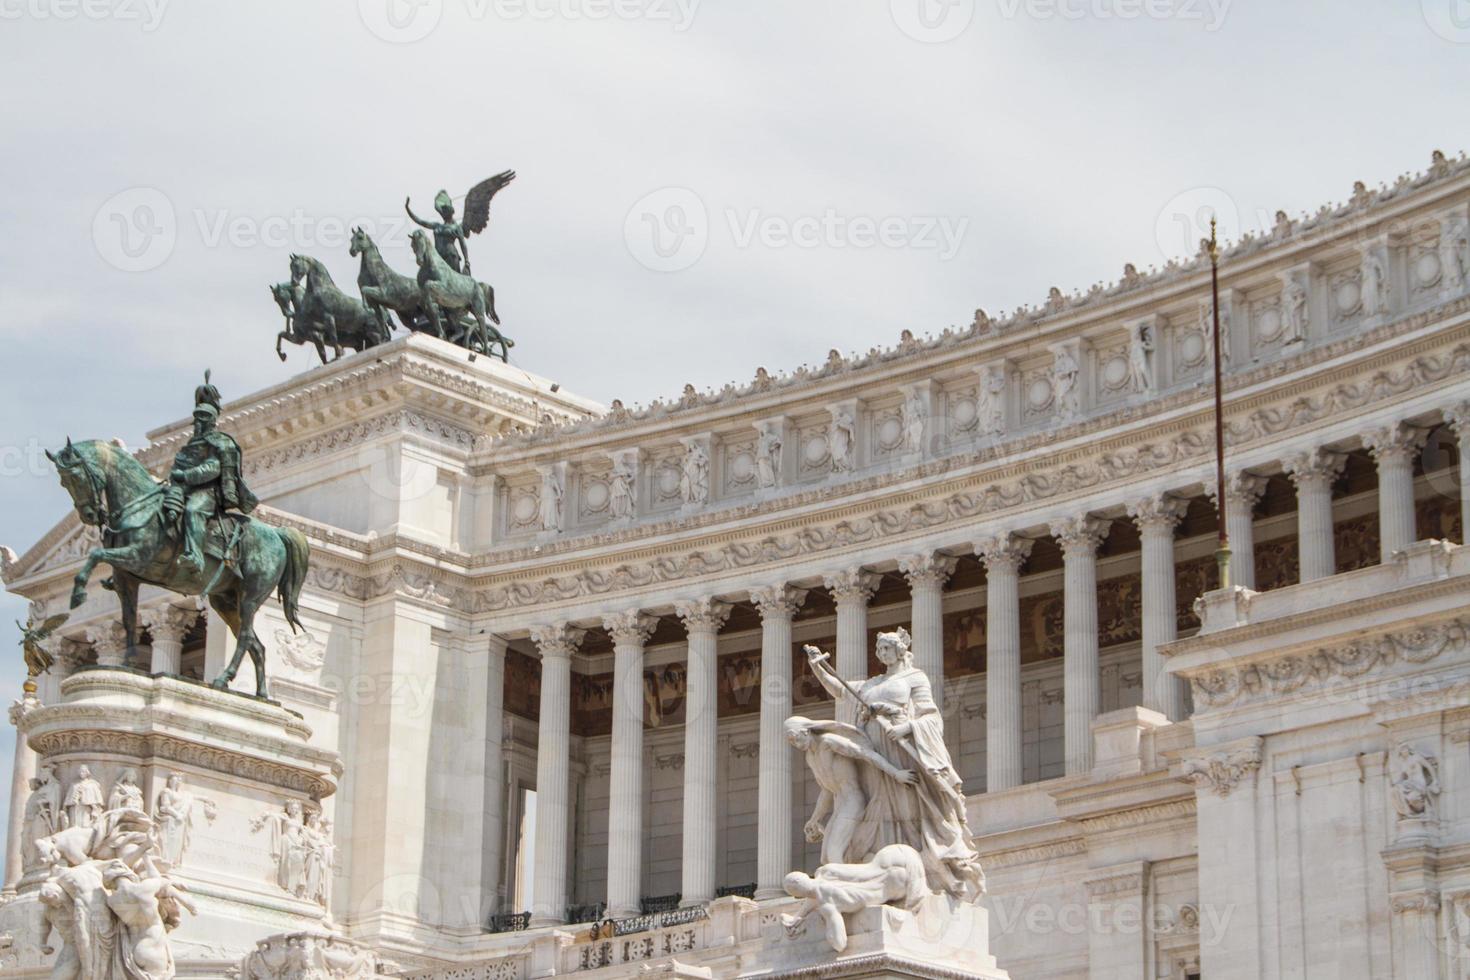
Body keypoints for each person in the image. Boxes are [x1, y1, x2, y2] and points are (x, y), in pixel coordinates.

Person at [803, 629, 986, 901]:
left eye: (887, 648)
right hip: (875, 752)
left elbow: (931, 717)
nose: (882, 654)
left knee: (910, 803)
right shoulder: (871, 683)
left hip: (901, 748)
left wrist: (907, 728)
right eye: (879, 650)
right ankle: (883, 861)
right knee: (879, 804)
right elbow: (841, 689)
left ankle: (924, 863)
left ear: (900, 650)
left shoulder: (915, 677)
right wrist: (818, 667)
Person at [785, 716, 914, 866]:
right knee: (826, 859)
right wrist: (815, 819)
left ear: (806, 731)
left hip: (853, 801)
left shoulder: (828, 742)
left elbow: (865, 753)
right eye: (791, 741)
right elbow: (827, 790)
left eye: (795, 738)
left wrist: (896, 773)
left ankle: (843, 886)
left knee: (834, 853)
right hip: (840, 803)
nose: (795, 744)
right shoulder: (810, 757)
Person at [163, 374, 257, 573]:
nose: (197, 425)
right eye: (196, 420)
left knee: (192, 511)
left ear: (210, 422)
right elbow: (179, 465)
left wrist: (186, 476)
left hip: (209, 493)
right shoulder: (190, 446)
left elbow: (213, 469)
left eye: (201, 421)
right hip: (185, 489)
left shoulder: (221, 442)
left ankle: (194, 555)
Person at [781, 844, 930, 953]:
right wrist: (798, 916)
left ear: (796, 894)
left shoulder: (827, 904)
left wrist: (825, 924)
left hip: (896, 886)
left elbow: (840, 944)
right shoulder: (825, 872)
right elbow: (815, 893)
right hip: (898, 854)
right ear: (805, 876)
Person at [405, 190, 472, 274]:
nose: (443, 213)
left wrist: (466, 261)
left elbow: (463, 244)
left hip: (450, 256)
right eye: (443, 211)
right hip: (437, 257)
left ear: (450, 213)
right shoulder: (437, 226)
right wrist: (408, 209)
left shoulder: (456, 227)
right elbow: (420, 221)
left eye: (445, 211)